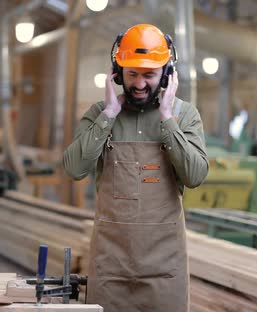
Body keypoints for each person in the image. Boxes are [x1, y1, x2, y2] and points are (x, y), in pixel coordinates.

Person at [63, 24, 209, 312]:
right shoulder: (99, 114)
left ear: (166, 74)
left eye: (149, 75)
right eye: (132, 74)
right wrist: (108, 115)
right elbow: (74, 169)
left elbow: (195, 176)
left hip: (164, 270)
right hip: (110, 268)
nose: (139, 84)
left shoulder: (184, 115)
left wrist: (168, 120)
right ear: (117, 74)